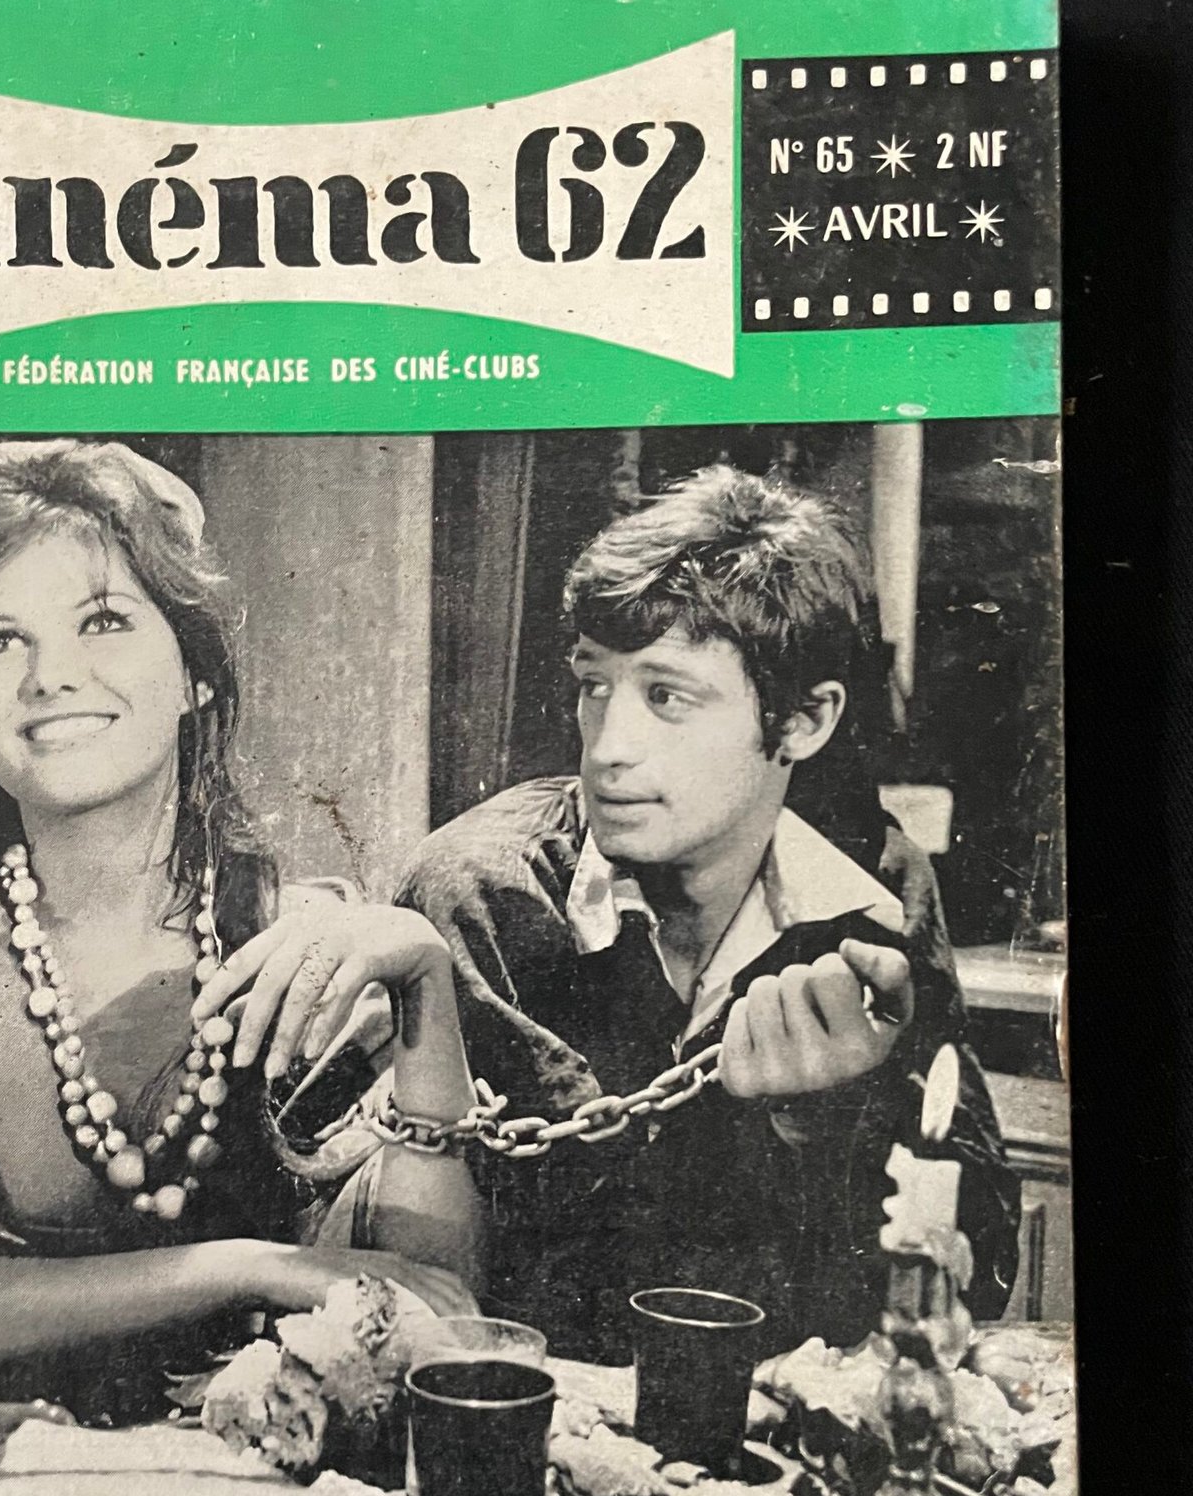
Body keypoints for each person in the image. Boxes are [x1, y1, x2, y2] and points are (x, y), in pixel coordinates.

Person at [0, 439, 480, 1416]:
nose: (50, 676)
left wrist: (425, 991)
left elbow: (433, 1307)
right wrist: (243, 1267)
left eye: (103, 621)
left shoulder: (290, 932)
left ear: (195, 674)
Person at [398, 463, 1020, 1365]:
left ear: (802, 721)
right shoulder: (481, 893)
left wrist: (834, 1123)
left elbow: (980, 1265)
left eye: (667, 695)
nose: (608, 749)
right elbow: (463, 1293)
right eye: (595, 685)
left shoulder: (873, 894)